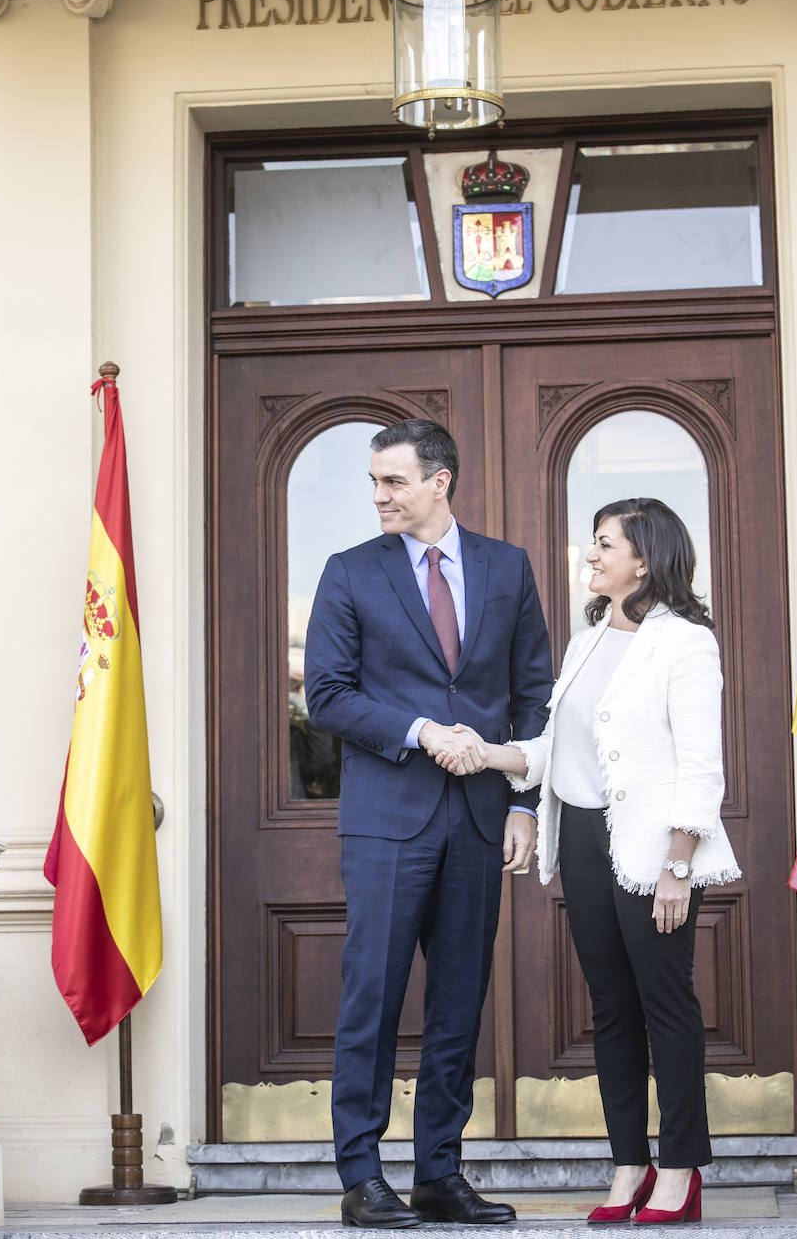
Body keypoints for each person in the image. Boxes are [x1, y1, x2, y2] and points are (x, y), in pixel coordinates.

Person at [432, 498, 740, 1227]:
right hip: (582, 841)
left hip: (652, 849)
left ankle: (681, 1169)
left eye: (605, 544)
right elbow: (552, 752)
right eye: (593, 544)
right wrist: (487, 752)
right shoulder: (585, 642)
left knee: (667, 1005)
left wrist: (678, 863)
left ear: (645, 557)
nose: (591, 556)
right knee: (610, 1010)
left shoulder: (686, 642)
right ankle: (629, 1163)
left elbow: (701, 763)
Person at [304, 418, 552, 1229]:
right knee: (371, 997)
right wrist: (421, 733)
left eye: (393, 481)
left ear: (439, 482)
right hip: (387, 820)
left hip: (481, 821)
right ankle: (360, 1175)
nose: (379, 496)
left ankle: (440, 1172)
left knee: (458, 999)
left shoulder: (507, 568)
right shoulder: (349, 573)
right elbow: (328, 696)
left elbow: (533, 695)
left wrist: (522, 803)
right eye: (375, 482)